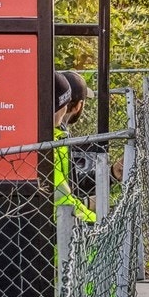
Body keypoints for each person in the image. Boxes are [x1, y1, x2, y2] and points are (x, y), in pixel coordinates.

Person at [52, 71, 95, 224]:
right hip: (58, 229)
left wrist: (110, 175)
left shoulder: (59, 137)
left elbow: (68, 183)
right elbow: (61, 197)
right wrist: (97, 222)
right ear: (78, 106)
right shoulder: (54, 141)